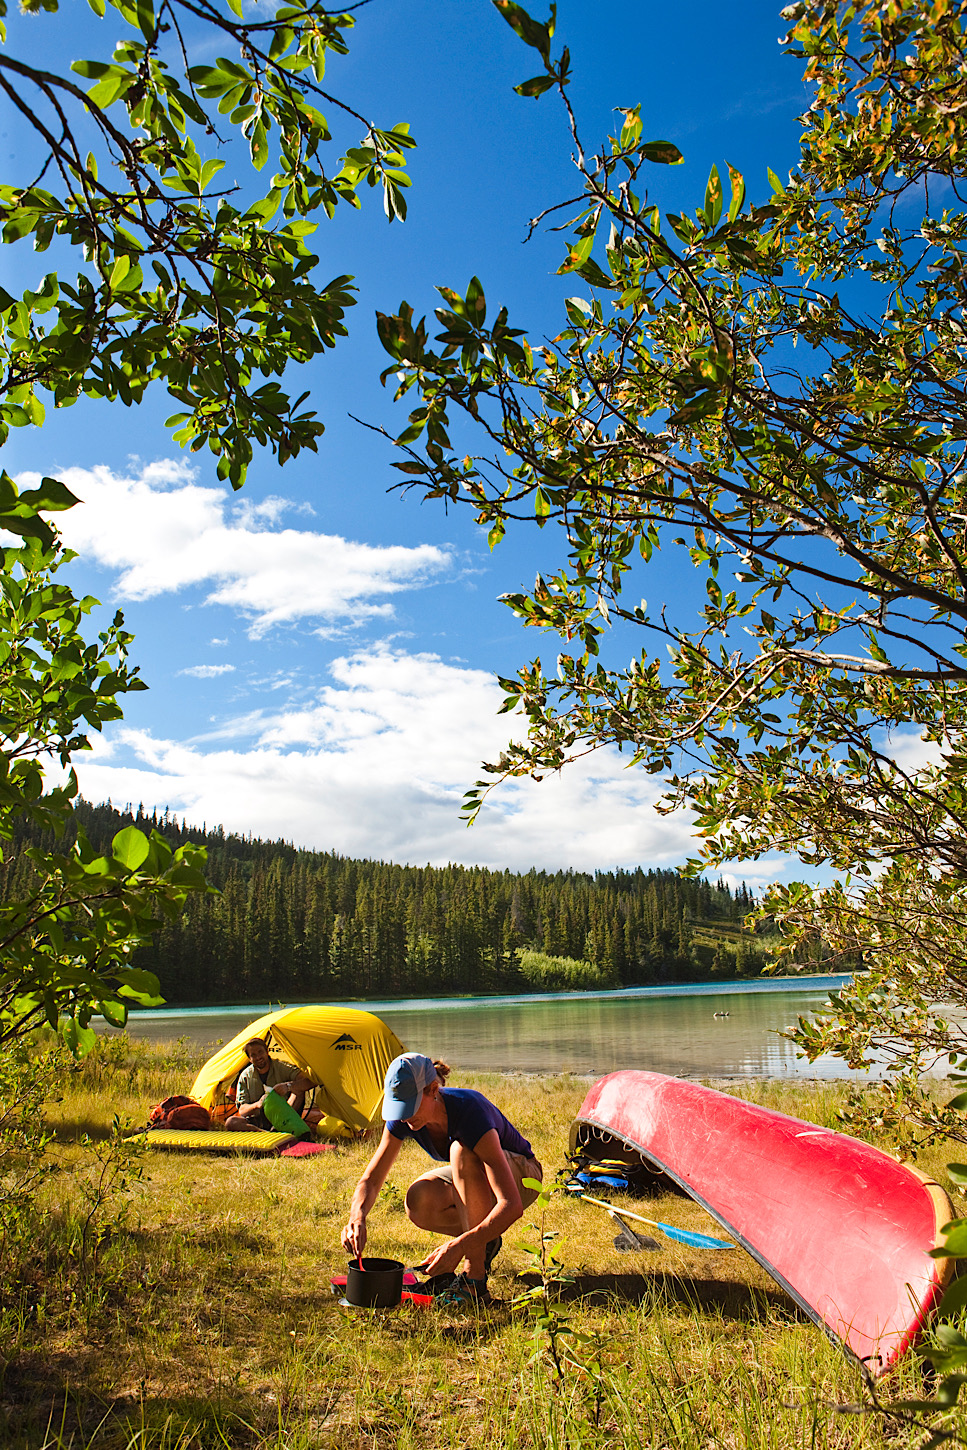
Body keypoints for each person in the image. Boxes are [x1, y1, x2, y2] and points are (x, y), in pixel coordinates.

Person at [341, 1053, 543, 1303]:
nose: (404, 1116)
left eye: (409, 1106)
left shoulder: (470, 1111)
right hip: (481, 1178)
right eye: (399, 1107)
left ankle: (474, 1282)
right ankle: (484, 1240)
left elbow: (510, 1205)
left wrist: (460, 1246)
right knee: (420, 1199)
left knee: (461, 1150)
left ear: (433, 1090)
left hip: (523, 1176)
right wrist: (357, 1217)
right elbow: (371, 1180)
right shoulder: (405, 1119)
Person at [225, 1037, 314, 1131]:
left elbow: (310, 1081)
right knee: (231, 1122)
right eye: (253, 1055)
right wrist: (257, 1104)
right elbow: (242, 1110)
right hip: (258, 1119)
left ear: (267, 1052)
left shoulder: (281, 1067)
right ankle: (264, 1133)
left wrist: (288, 1086)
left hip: (282, 1115)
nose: (258, 1057)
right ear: (249, 1059)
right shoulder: (245, 1076)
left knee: (298, 1090)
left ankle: (280, 1126)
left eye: (260, 1052)